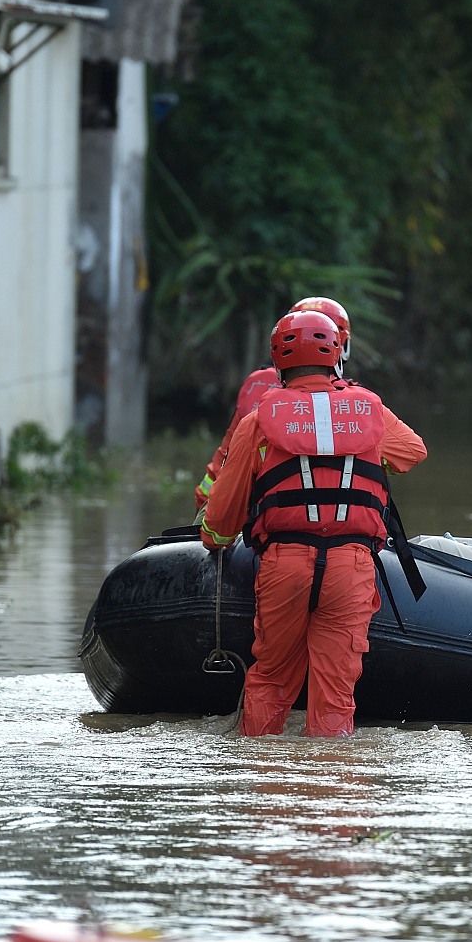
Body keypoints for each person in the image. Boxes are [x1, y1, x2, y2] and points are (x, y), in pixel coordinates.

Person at [200, 308, 426, 737]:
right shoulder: (369, 411)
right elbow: (413, 452)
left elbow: (222, 518)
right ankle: (332, 791)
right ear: (337, 354)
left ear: (277, 361)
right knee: (336, 694)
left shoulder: (257, 421)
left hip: (284, 564)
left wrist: (212, 538)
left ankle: (264, 787)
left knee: (271, 679)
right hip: (351, 566)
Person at [195, 296, 355, 512]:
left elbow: (225, 460)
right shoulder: (357, 400)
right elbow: (410, 452)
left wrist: (205, 512)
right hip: (334, 520)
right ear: (341, 344)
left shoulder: (258, 389)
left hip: (258, 513)